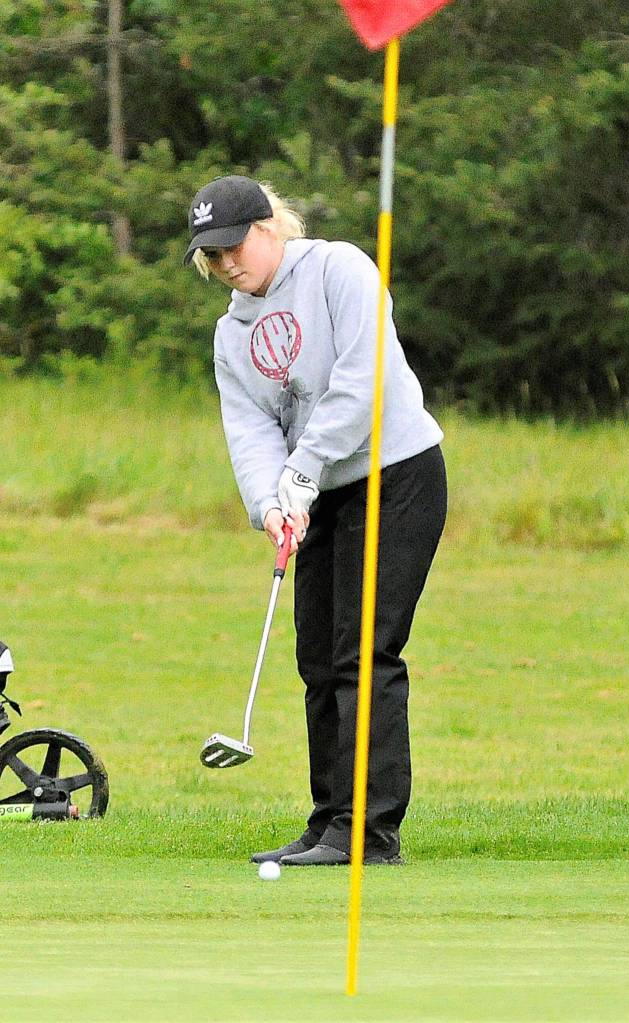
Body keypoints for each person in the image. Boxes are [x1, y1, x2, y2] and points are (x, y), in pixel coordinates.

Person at [184, 175, 447, 865]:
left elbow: (363, 382)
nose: (226, 264)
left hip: (398, 474)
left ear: (271, 227)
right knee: (318, 659)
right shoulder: (230, 333)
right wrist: (272, 501)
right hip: (318, 491)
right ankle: (331, 819)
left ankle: (371, 832)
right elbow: (248, 429)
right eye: (212, 256)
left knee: (365, 650)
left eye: (234, 245)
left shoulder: (339, 269)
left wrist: (302, 469)